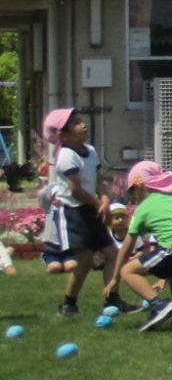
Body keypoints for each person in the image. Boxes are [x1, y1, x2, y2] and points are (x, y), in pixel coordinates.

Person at [111, 165, 172, 331]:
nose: (134, 197)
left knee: (128, 271)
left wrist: (115, 278)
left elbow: (127, 244)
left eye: (133, 192)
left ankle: (159, 304)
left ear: (140, 186)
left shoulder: (143, 208)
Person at [40, 108, 114, 317]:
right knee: (85, 259)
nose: (83, 125)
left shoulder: (90, 150)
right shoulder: (66, 155)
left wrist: (105, 199)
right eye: (76, 124)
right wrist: (98, 203)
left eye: (81, 121)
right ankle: (68, 304)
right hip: (73, 211)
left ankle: (113, 300)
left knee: (112, 254)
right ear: (63, 135)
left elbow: (99, 180)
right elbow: (75, 189)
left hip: (91, 207)